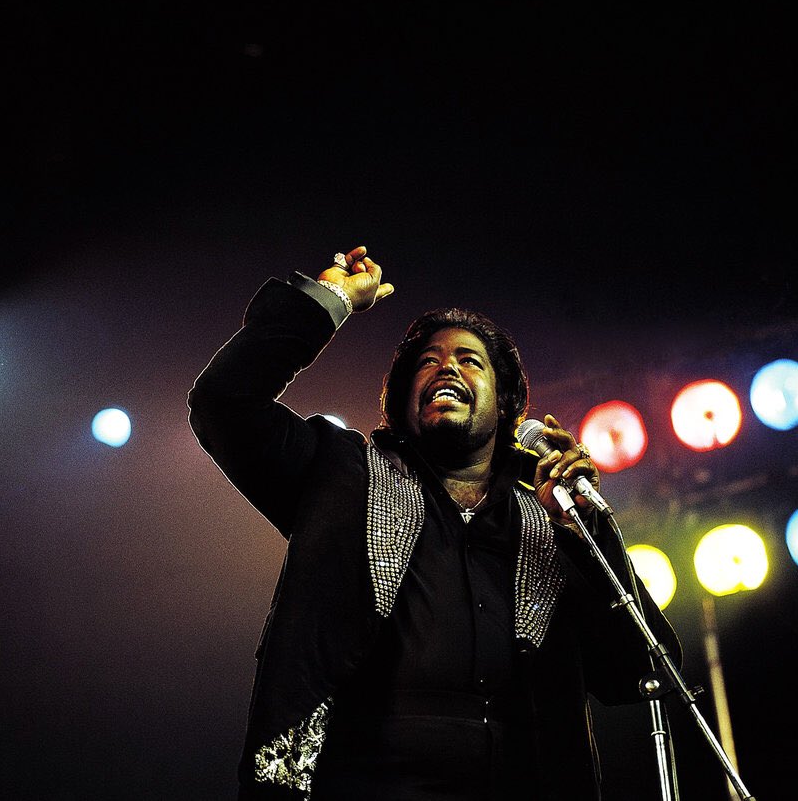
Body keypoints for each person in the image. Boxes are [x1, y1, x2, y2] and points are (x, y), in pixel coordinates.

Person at [187, 244, 682, 801]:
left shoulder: (550, 523)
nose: (447, 366)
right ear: (402, 402)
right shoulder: (344, 474)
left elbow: (640, 672)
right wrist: (329, 301)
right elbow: (222, 403)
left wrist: (586, 530)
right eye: (429, 360)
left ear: (506, 404)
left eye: (471, 360)